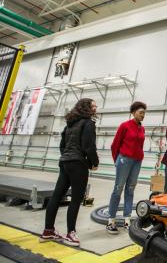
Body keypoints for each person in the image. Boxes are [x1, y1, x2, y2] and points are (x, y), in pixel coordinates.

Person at [40, 98, 99, 247]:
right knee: (76, 199)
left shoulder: (70, 124)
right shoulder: (88, 123)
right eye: (93, 105)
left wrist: (67, 157)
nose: (96, 107)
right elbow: (89, 147)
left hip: (65, 162)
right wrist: (94, 163)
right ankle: (70, 234)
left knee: (57, 196)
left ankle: (48, 231)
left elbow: (62, 146)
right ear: (86, 108)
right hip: (78, 164)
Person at [106, 101, 147, 234]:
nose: (143, 115)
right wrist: (118, 161)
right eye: (141, 113)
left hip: (137, 161)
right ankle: (111, 220)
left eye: (144, 113)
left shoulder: (142, 128)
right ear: (133, 112)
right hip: (124, 160)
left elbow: (140, 146)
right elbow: (115, 145)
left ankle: (127, 220)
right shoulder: (125, 126)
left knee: (130, 189)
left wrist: (140, 157)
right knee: (118, 188)